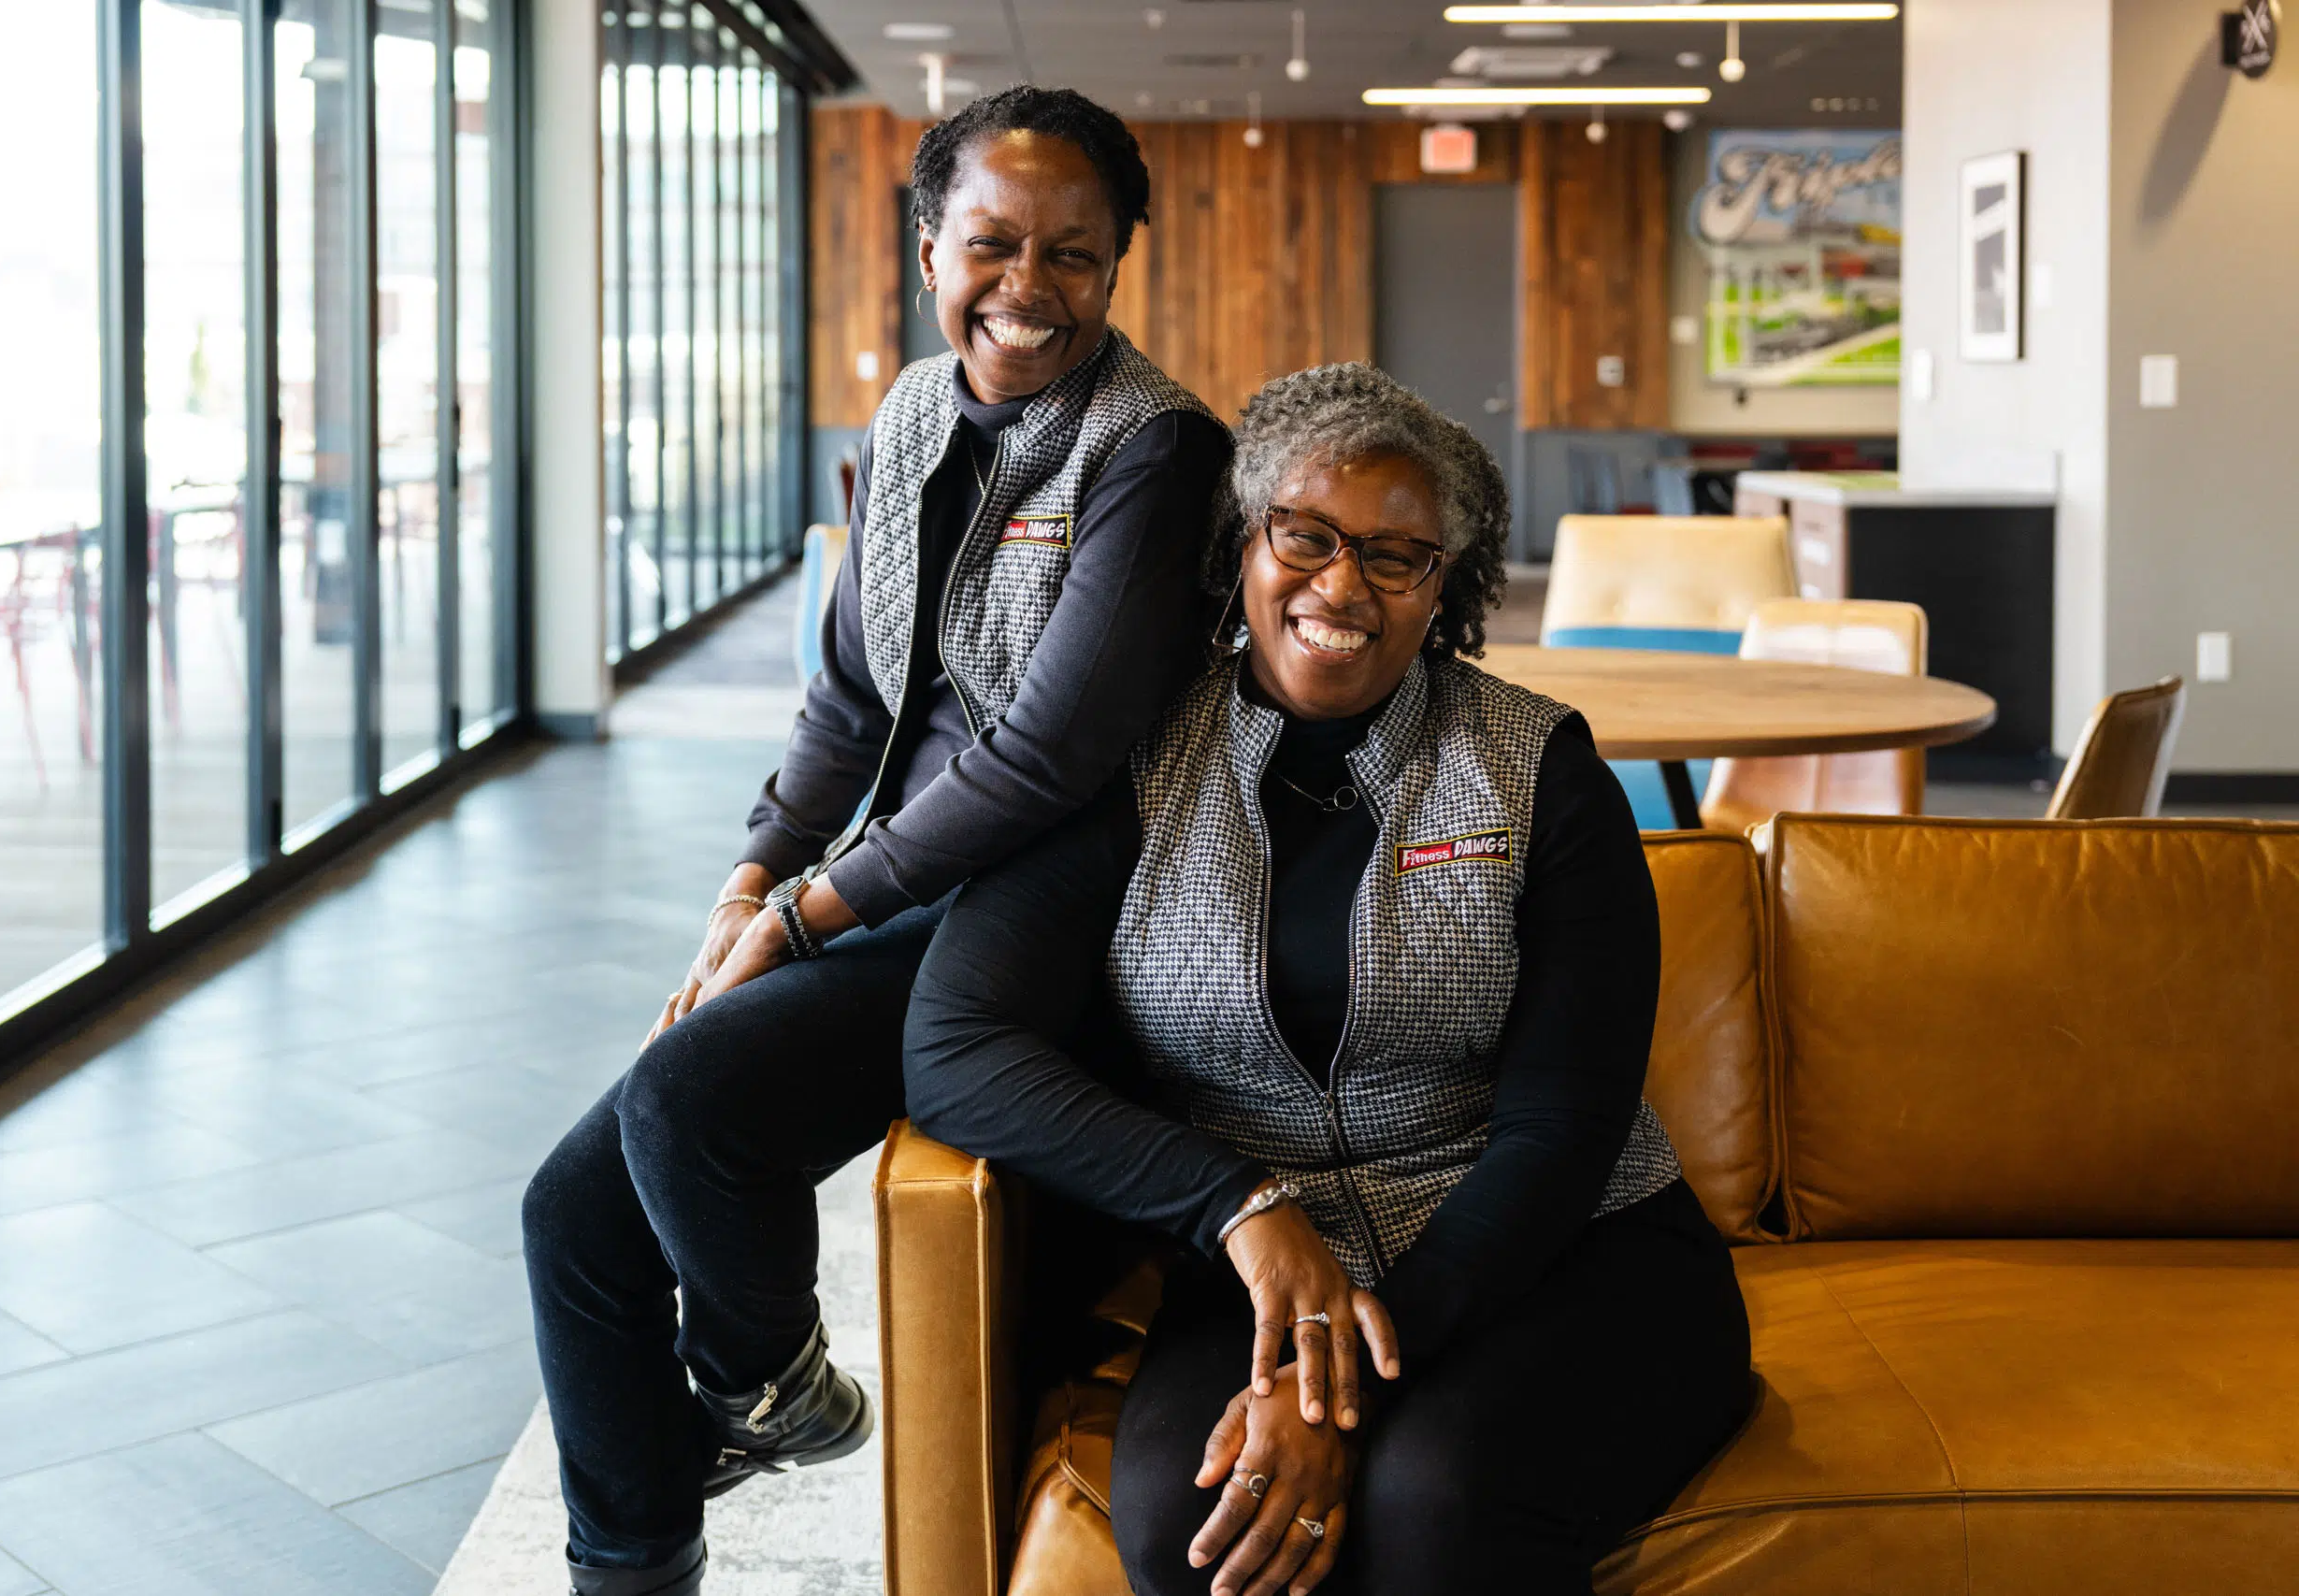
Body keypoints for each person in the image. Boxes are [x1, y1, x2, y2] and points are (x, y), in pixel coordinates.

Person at [520, 87, 1230, 1596]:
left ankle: (758, 1381)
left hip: (1056, 900)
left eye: (1074, 254)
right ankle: (639, 1557)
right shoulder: (908, 415)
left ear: (1118, 266)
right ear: (928, 251)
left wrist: (807, 915)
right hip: (893, 878)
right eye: (992, 244)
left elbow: (1046, 759)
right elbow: (850, 696)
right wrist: (750, 880)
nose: (1029, 287)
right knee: (571, 1216)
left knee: (690, 1095)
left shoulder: (1157, 453)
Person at [904, 364, 1754, 1596]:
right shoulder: (1133, 762)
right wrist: (1239, 1206)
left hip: (1562, 1252)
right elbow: (953, 1044)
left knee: (1435, 1502)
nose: (1343, 585)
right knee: (1194, 1519)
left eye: (1398, 557)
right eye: (1305, 536)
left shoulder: (1539, 768)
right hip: (1260, 1259)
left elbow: (1563, 1129)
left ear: (1445, 589)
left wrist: (1330, 1386)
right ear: (1243, 545)